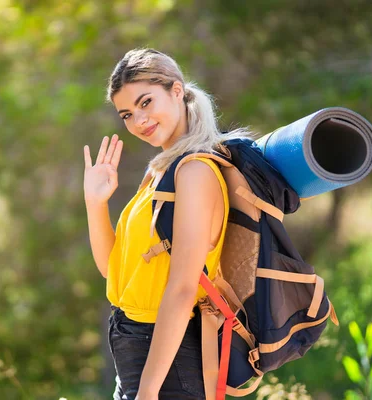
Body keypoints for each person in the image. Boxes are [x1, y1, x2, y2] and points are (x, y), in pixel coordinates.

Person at [83, 48, 251, 400]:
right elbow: (112, 271)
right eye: (127, 114)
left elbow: (182, 289)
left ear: (176, 91)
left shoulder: (194, 172)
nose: (138, 120)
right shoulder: (161, 171)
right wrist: (96, 202)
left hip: (167, 365)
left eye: (146, 103)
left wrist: (147, 392)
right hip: (134, 353)